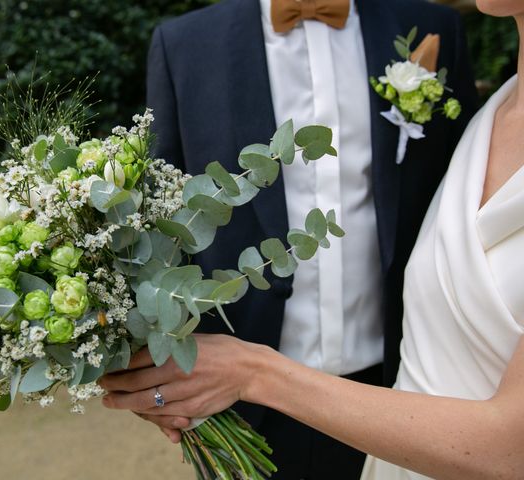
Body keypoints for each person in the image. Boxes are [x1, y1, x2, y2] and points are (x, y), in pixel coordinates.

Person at [102, 1, 524, 478]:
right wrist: (157, 368)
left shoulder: (430, 27)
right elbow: (163, 232)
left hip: (404, 400)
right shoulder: (185, 45)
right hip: (242, 413)